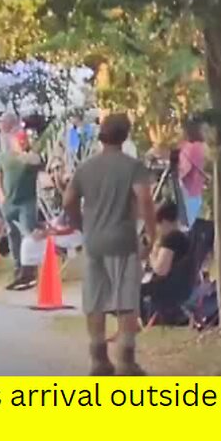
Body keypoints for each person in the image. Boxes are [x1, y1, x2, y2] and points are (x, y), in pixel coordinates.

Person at [63, 113, 157, 376]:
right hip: (123, 241)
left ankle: (98, 359)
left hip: (94, 241)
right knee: (126, 300)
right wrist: (151, 233)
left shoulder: (86, 168)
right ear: (125, 135)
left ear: (101, 135)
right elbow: (145, 200)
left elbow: (69, 200)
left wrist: (81, 224)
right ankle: (126, 360)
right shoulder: (132, 167)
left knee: (95, 300)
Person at [0, 129, 42, 290]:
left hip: (26, 201)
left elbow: (36, 161)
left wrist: (24, 153)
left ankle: (30, 268)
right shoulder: (4, 156)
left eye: (24, 140)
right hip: (9, 202)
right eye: (19, 140)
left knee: (28, 232)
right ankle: (18, 266)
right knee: (12, 234)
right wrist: (0, 194)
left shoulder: (31, 157)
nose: (22, 143)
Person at [141, 202, 196, 326]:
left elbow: (161, 270)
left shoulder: (171, 239)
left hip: (169, 288)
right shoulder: (184, 237)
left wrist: (152, 253)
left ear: (164, 222)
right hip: (184, 286)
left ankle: (140, 321)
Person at [176, 119, 208, 226]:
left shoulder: (188, 147)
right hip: (200, 191)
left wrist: (177, 174)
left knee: (187, 226)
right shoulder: (203, 147)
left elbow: (185, 169)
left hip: (188, 192)